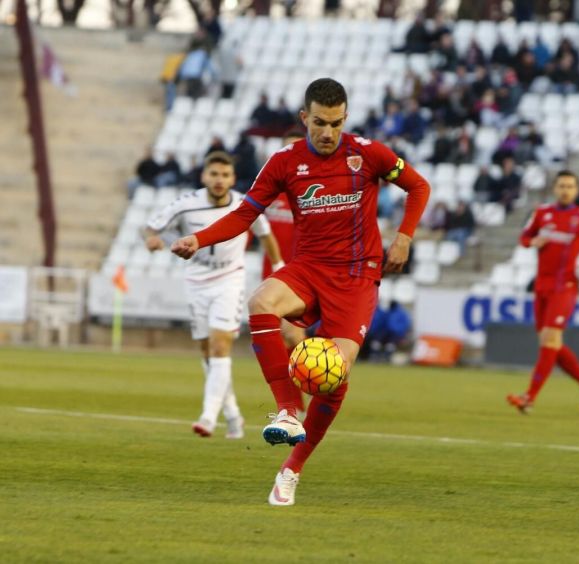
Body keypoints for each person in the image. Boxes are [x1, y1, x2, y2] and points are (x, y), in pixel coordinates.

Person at [170, 79, 430, 506]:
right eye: (320, 123)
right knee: (260, 304)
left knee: (333, 375)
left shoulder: (368, 153)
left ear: (345, 119)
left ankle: (292, 468)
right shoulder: (284, 162)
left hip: (355, 276)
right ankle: (288, 410)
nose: (328, 133)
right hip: (308, 267)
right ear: (304, 118)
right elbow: (243, 214)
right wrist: (200, 239)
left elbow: (419, 187)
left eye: (336, 123)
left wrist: (403, 237)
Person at [145, 151, 283, 439]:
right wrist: (153, 240)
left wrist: (279, 267)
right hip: (196, 280)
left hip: (230, 279)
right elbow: (150, 228)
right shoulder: (186, 205)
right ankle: (233, 415)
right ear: (204, 176)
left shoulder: (245, 204)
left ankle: (208, 417)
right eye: (214, 174)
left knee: (221, 346)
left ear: (233, 179)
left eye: (225, 175)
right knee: (209, 353)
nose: (219, 180)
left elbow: (265, 234)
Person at [507, 171, 579, 416]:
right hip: (542, 286)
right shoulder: (542, 213)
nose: (566, 190)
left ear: (576, 190)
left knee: (550, 341)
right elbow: (524, 237)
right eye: (562, 185)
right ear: (554, 188)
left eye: (570, 186)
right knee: (551, 344)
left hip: (566, 287)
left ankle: (529, 398)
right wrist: (532, 242)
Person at [261, 128, 308, 383]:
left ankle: (299, 403)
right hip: (271, 274)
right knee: (278, 339)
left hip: (303, 275)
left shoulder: (315, 192)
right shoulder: (269, 189)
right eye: (287, 149)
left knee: (294, 336)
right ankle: (292, 404)